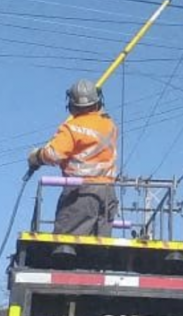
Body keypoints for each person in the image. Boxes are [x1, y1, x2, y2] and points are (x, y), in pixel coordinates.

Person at [28, 79, 118, 244]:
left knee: (66, 246)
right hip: (107, 194)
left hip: (80, 194)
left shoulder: (71, 128)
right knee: (99, 249)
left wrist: (36, 156)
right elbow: (100, 119)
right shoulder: (109, 125)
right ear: (98, 102)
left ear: (71, 105)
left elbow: (53, 154)